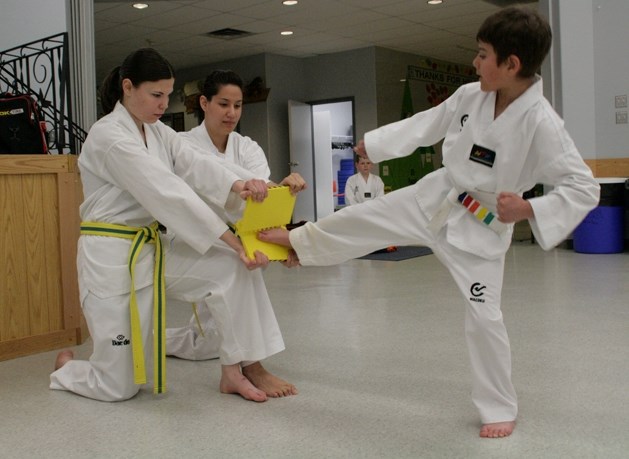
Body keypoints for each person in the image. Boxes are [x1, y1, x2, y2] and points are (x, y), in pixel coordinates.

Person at [258, 7, 600, 438]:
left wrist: (529, 210)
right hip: (438, 194)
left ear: (511, 64)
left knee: (484, 317)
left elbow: (585, 188)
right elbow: (426, 124)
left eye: (482, 54)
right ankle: (298, 244)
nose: (475, 63)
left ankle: (498, 407)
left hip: (483, 225)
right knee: (364, 218)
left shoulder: (542, 123)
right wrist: (376, 144)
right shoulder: (469, 95)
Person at [50, 48, 292, 403]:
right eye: (156, 95)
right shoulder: (109, 136)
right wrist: (231, 239)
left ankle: (238, 369)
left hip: (154, 250)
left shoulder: (157, 131)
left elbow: (195, 163)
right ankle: (66, 368)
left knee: (230, 268)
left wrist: (237, 186)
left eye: (168, 95)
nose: (164, 104)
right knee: (119, 387)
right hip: (113, 258)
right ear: (128, 87)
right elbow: (168, 193)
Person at [165, 69, 303, 399]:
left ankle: (158, 340)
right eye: (224, 104)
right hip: (191, 241)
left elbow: (259, 206)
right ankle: (252, 367)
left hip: (237, 241)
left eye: (238, 106)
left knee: (207, 344)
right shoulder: (183, 146)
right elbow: (221, 184)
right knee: (231, 274)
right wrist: (259, 188)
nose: (232, 113)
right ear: (204, 103)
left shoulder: (249, 147)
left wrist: (282, 242)